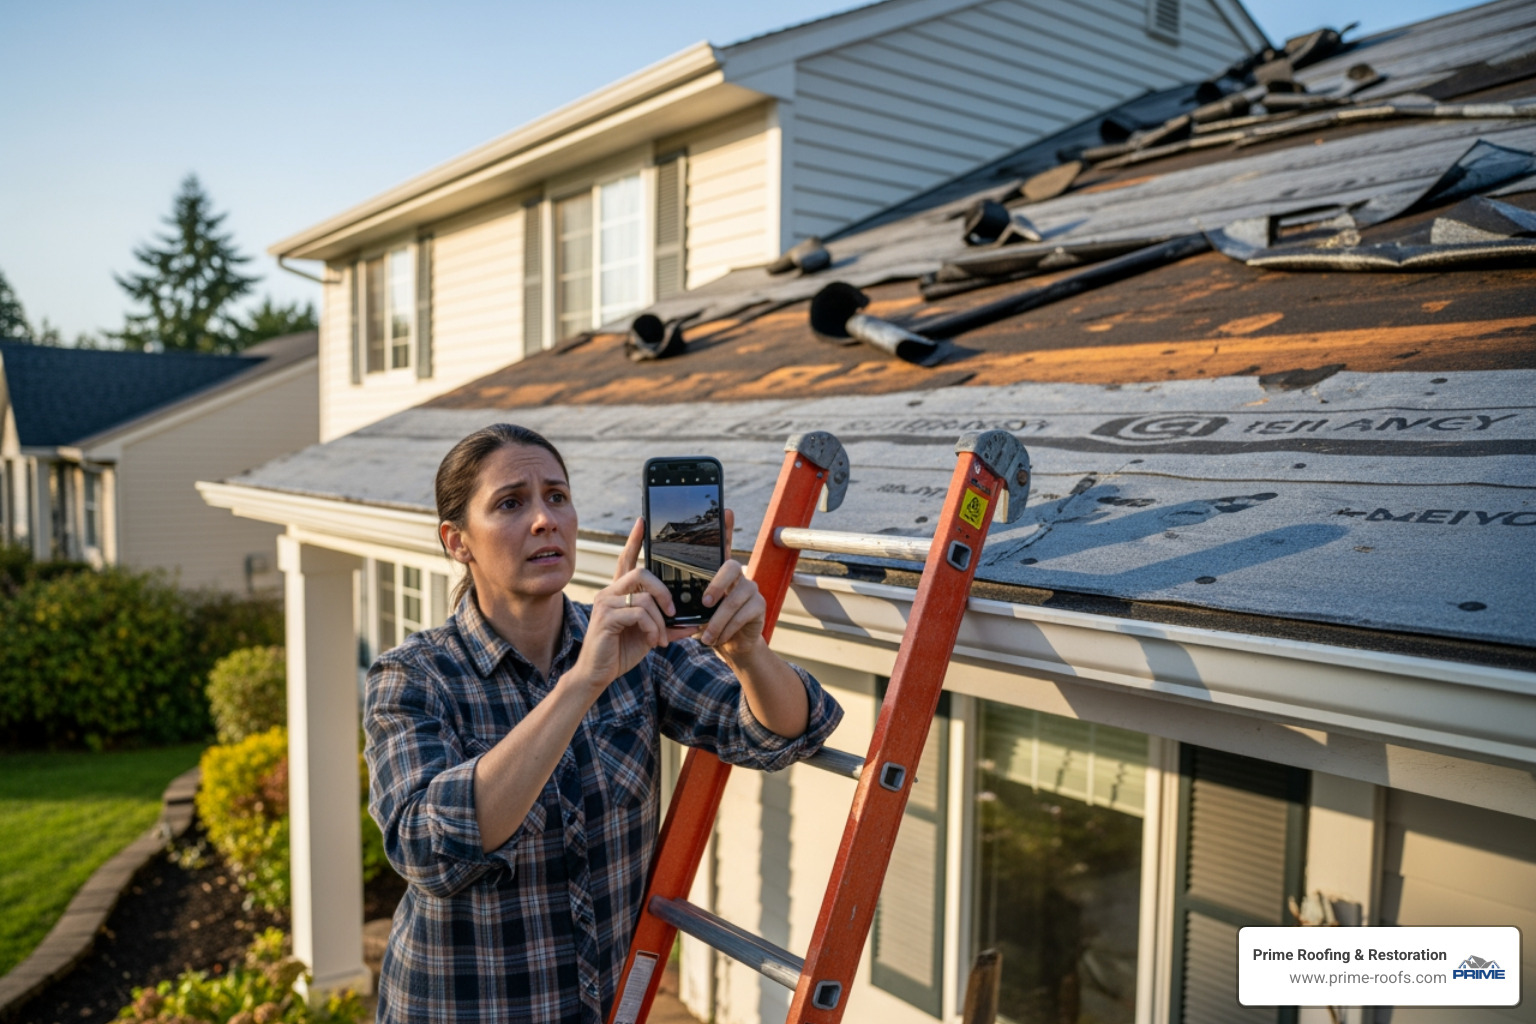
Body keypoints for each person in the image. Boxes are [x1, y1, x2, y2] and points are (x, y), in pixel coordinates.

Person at [364, 423, 843, 1024]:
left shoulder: (635, 640)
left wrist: (748, 651)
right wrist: (582, 682)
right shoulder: (413, 677)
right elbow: (426, 850)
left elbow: (785, 731)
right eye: (512, 503)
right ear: (457, 541)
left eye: (557, 496)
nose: (546, 520)